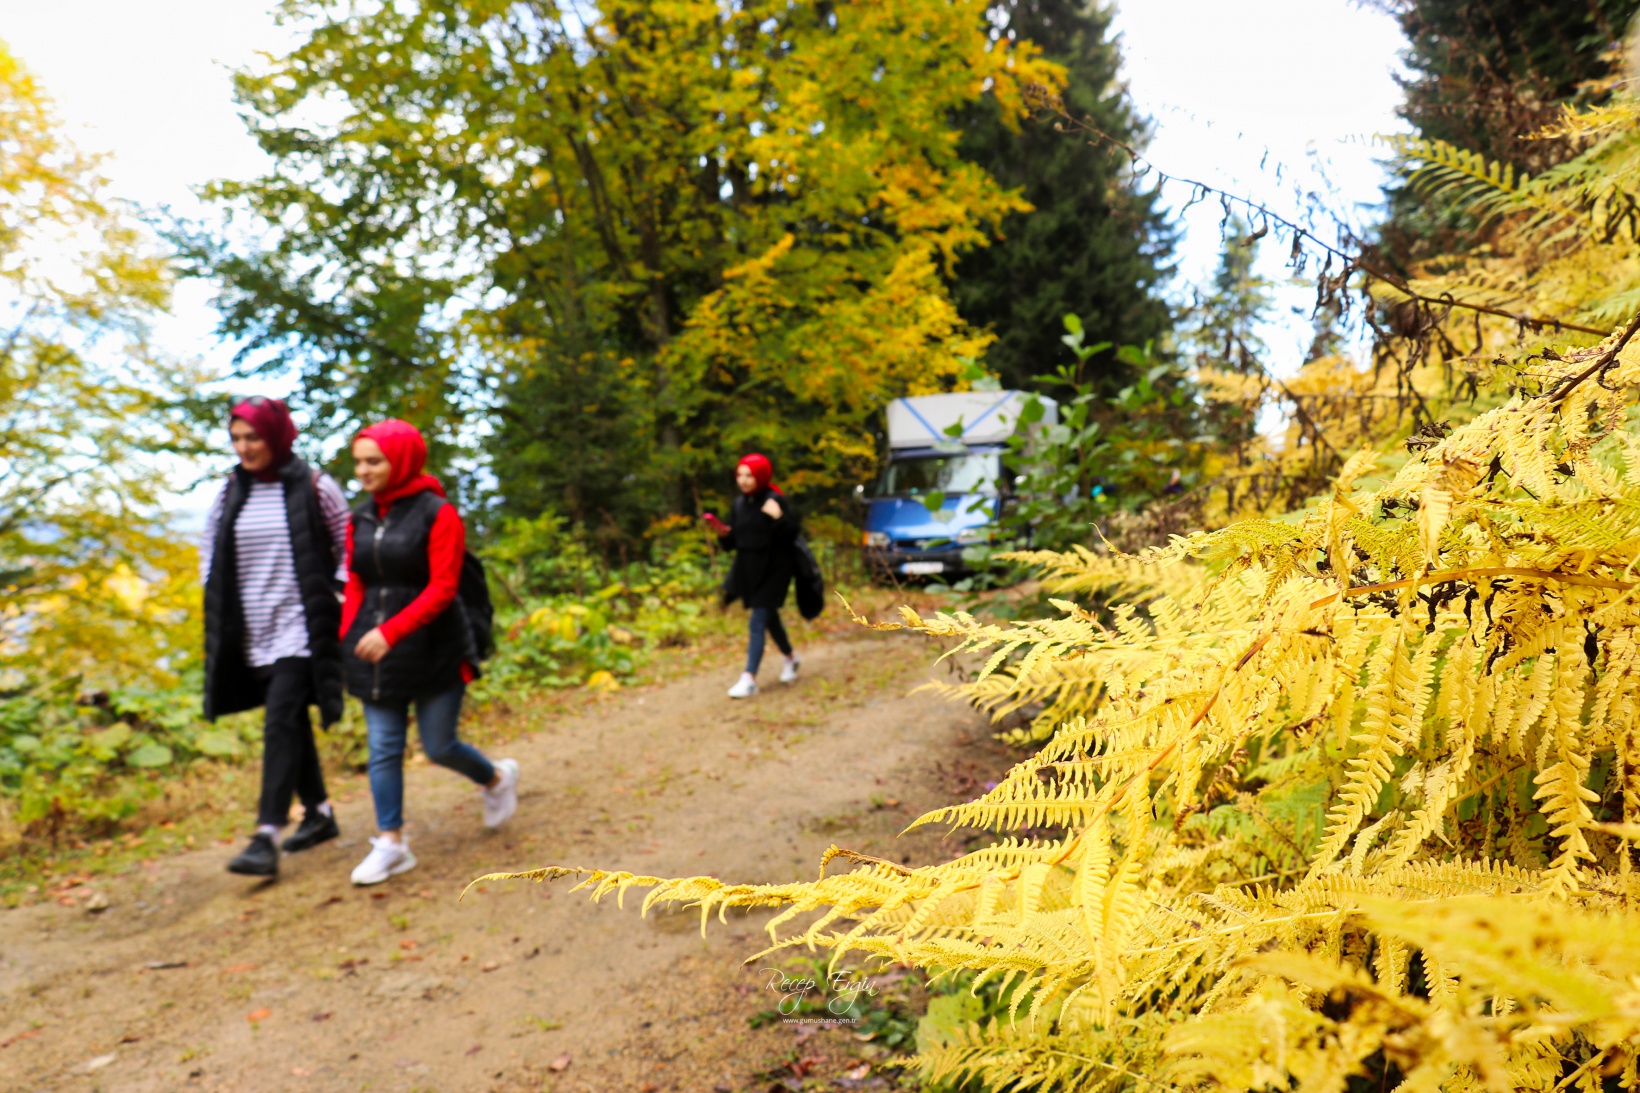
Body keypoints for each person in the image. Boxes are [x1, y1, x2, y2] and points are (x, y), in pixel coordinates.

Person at [341, 419, 519, 885]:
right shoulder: (360, 517)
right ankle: (392, 843)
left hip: (435, 646)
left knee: (439, 746)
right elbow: (357, 579)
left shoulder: (437, 513)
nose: (363, 471)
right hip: (377, 652)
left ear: (401, 460)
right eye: (358, 462)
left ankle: (496, 779)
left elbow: (443, 587)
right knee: (384, 747)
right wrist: (349, 632)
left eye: (373, 461)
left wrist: (391, 631)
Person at [201, 396, 349, 878]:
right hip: (253, 629)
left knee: (280, 718)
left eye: (253, 437)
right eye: (236, 439)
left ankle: (266, 833)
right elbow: (209, 547)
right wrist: (212, 590)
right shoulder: (230, 491)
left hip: (302, 628)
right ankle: (319, 813)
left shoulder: (316, 486)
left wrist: (338, 595)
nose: (244, 447)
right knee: (289, 720)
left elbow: (347, 542)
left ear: (276, 437)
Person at [703, 453, 802, 699]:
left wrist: (778, 517)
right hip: (750, 571)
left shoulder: (774, 500)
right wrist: (723, 535)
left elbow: (792, 534)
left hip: (775, 570)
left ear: (760, 476)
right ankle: (791, 658)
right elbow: (734, 543)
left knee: (758, 620)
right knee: (770, 619)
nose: (743, 480)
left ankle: (749, 679)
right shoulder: (739, 504)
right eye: (740, 475)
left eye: (749, 475)